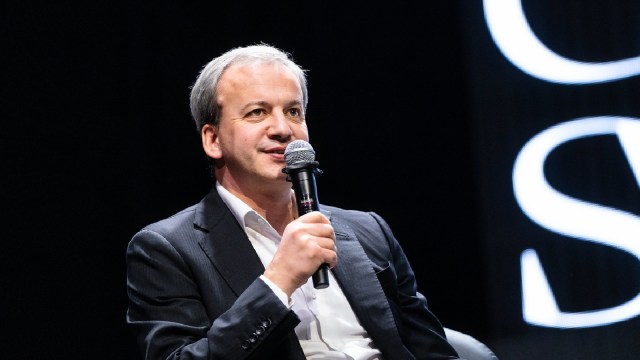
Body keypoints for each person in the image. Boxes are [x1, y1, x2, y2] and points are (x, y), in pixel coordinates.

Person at [126, 43, 461, 359]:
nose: (283, 129)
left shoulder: (367, 230)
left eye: (293, 111)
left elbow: (433, 350)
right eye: (257, 113)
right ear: (213, 140)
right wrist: (278, 282)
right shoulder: (166, 249)